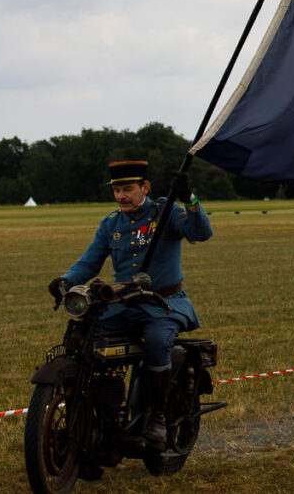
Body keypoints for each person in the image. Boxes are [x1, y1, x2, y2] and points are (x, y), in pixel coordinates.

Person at [47, 160, 213, 448]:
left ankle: (157, 418)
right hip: (122, 305)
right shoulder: (111, 223)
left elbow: (200, 233)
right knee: (86, 341)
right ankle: (94, 418)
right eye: (116, 190)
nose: (121, 196)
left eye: (127, 189)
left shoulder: (166, 212)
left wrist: (190, 199)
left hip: (163, 303)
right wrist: (65, 280)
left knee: (157, 342)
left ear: (145, 187)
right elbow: (89, 262)